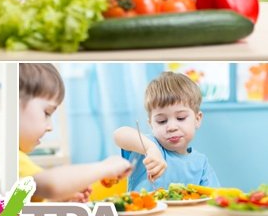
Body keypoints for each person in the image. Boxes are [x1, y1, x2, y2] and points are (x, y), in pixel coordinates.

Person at [19, 64, 129, 202]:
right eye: (46, 113)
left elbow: (13, 209)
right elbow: (51, 184)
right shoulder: (12, 159)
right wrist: (105, 167)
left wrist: (57, 200)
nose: (50, 127)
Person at [113, 71, 220, 192]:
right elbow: (119, 134)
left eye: (181, 118)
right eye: (161, 121)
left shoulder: (201, 163)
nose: (171, 127)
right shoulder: (147, 146)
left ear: (197, 119)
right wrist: (150, 149)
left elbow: (213, 197)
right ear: (151, 124)